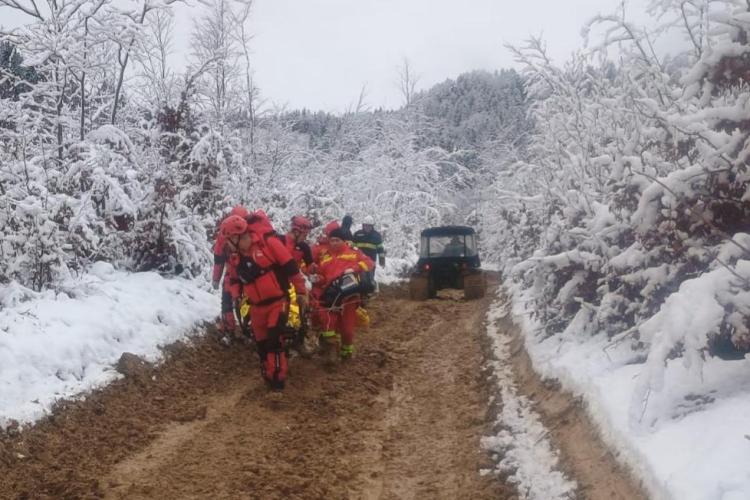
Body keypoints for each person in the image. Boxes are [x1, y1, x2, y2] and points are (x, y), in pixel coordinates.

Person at [222, 211, 308, 391]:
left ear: (237, 237)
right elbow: (234, 279)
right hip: (256, 307)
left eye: (229, 240)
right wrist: (237, 297)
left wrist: (301, 291)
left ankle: (279, 383)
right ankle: (269, 377)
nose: (227, 245)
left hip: (278, 301)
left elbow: (290, 266)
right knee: (261, 345)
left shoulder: (268, 244)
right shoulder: (236, 258)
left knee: (274, 341)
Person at [312, 227, 373, 362]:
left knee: (347, 328)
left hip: (348, 295)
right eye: (332, 240)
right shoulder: (325, 257)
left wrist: (354, 269)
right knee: (329, 323)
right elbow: (323, 276)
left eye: (337, 240)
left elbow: (369, 263)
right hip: (331, 296)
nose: (334, 243)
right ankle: (332, 349)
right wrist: (318, 279)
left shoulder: (353, 253)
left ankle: (347, 352)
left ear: (343, 241)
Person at [211, 205, 250, 341]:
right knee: (248, 302)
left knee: (227, 302)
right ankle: (247, 329)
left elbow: (219, 260)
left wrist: (216, 278)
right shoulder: (249, 235)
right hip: (247, 275)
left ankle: (230, 330)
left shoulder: (225, 236)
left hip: (232, 275)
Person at [352, 215, 385, 290]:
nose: (367, 227)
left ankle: (370, 292)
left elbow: (380, 249)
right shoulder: (357, 234)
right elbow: (352, 248)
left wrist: (382, 260)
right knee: (358, 277)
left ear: (372, 226)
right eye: (366, 225)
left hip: (371, 261)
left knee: (370, 277)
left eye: (369, 226)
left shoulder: (377, 235)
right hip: (359, 261)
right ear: (363, 225)